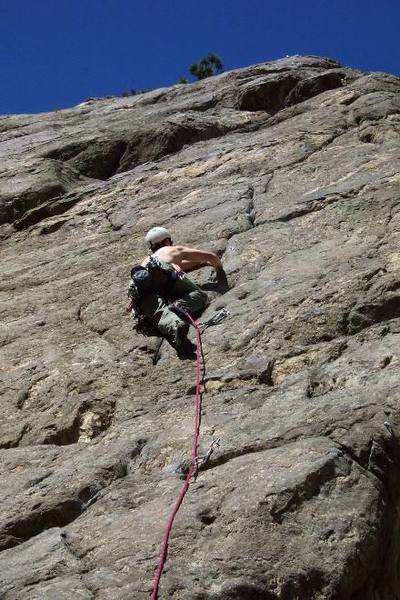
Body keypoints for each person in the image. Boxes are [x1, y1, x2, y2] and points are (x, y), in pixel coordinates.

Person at [128, 227, 229, 358]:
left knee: (160, 314)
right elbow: (212, 257)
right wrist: (220, 275)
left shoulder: (147, 261)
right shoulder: (170, 250)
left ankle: (173, 325)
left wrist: (203, 263)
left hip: (138, 286)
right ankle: (177, 307)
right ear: (167, 241)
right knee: (200, 297)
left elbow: (178, 265)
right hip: (163, 276)